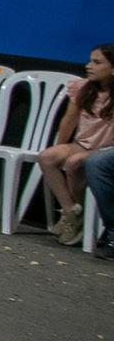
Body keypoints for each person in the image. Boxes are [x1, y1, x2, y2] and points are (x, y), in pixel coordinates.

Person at [36, 45, 114, 244]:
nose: (89, 66)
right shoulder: (83, 88)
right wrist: (59, 146)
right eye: (89, 61)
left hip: (106, 147)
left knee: (74, 162)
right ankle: (72, 212)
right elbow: (68, 121)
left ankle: (78, 217)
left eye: (97, 62)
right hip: (83, 143)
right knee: (47, 156)